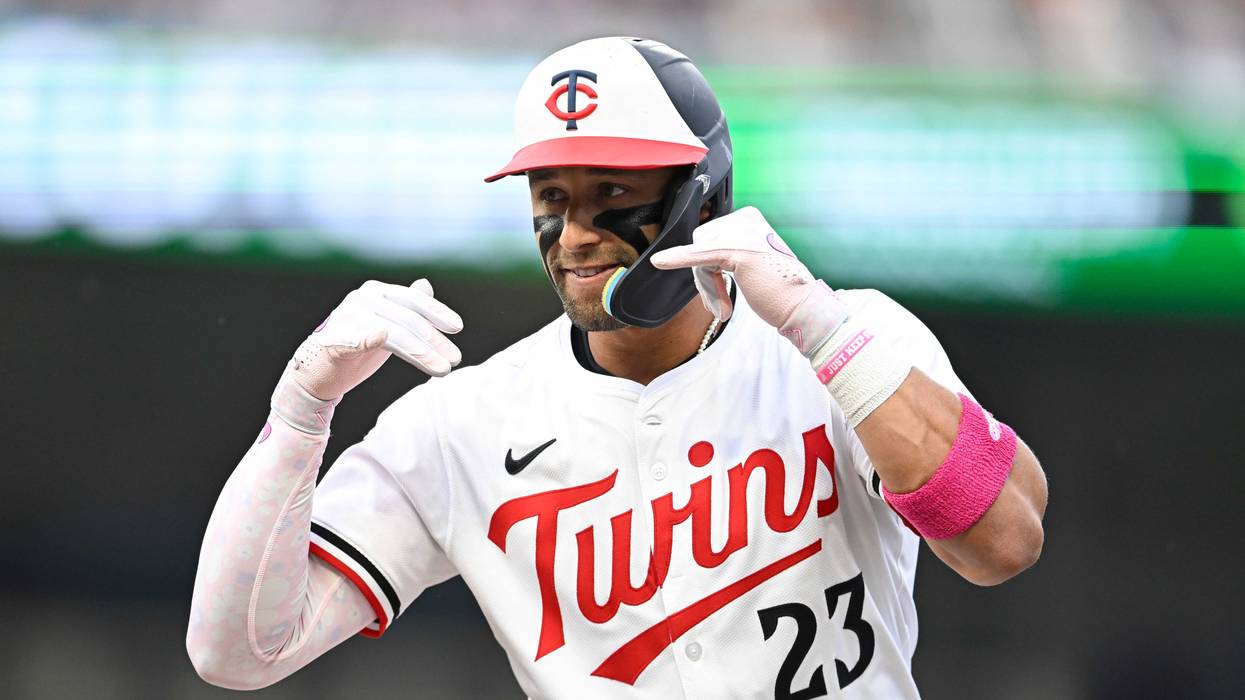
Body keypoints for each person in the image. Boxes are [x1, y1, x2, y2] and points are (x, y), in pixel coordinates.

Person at [187, 37, 1047, 698]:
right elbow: (239, 651)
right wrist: (301, 411)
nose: (575, 234)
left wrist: (825, 336)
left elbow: (1003, 541)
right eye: (551, 197)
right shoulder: (458, 423)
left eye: (614, 194)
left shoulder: (848, 340)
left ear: (701, 193)